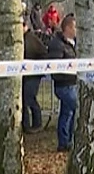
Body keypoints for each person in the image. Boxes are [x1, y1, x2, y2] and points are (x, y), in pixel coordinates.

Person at [47, 16, 77, 151]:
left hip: (72, 83)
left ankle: (64, 142)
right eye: (75, 27)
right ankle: (68, 139)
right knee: (76, 108)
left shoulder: (73, 43)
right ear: (68, 28)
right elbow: (56, 67)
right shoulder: (57, 44)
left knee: (67, 113)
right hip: (63, 84)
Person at [22, 17, 48, 133]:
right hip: (23, 74)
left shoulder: (32, 39)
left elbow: (43, 53)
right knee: (23, 99)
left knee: (29, 98)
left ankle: (37, 123)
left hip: (33, 74)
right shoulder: (21, 39)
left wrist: (36, 67)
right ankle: (25, 125)